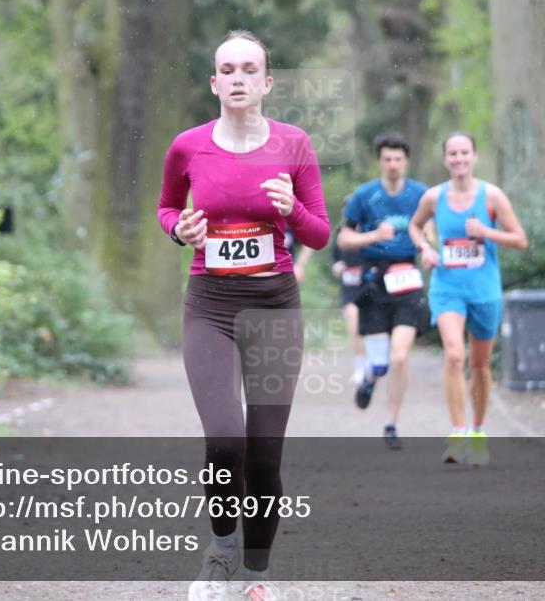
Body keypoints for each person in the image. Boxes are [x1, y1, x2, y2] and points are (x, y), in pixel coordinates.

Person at [157, 30, 329, 601]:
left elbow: (320, 234)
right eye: (227, 69)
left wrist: (293, 209)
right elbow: (166, 208)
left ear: (267, 82)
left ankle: (256, 577)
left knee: (264, 456)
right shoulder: (187, 146)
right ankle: (222, 549)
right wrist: (178, 229)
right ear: (214, 82)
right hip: (210, 306)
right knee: (225, 438)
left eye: (249, 69)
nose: (238, 78)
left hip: (276, 305)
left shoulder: (294, 144)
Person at [408, 132, 527, 466]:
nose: (459, 159)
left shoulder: (493, 196)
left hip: (484, 290)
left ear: (474, 156)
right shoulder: (434, 198)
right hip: (447, 287)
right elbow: (415, 227)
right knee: (454, 355)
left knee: (480, 365)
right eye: (453, 154)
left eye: (464, 153)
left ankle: (477, 431)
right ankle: (457, 433)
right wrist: (425, 249)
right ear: (445, 159)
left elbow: (520, 239)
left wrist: (486, 232)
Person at [337, 133, 430, 450]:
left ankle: (391, 423)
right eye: (387, 159)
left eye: (398, 159)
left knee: (400, 357)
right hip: (373, 281)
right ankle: (370, 379)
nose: (393, 165)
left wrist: (427, 247)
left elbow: (430, 229)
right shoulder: (365, 196)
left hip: (407, 278)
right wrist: (373, 235)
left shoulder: (421, 194)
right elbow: (343, 240)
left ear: (406, 162)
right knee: (380, 364)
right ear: (380, 161)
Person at [329, 199, 366, 386]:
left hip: (370, 289)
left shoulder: (371, 230)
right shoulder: (340, 233)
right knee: (354, 327)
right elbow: (334, 259)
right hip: (350, 289)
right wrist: (336, 266)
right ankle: (360, 368)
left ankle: (375, 363)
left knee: (374, 330)